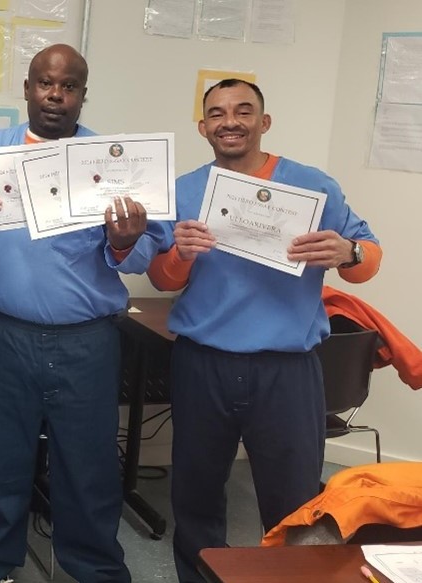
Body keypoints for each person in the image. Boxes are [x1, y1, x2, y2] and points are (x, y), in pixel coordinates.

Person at [0, 43, 168, 583]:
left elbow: (155, 243)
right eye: (44, 83)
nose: (55, 96)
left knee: (89, 467)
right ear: (28, 88)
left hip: (87, 341)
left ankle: (96, 569)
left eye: (69, 86)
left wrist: (127, 241)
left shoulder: (112, 162)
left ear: (83, 94)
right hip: (2, 335)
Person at [147, 78, 382, 583]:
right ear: (203, 126)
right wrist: (179, 254)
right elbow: (162, 276)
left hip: (286, 370)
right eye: (217, 113)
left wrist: (349, 253)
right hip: (203, 363)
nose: (229, 121)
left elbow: (367, 257)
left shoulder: (313, 185)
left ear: (264, 122)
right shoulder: (184, 190)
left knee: (294, 502)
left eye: (243, 111)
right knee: (196, 493)